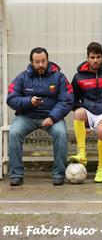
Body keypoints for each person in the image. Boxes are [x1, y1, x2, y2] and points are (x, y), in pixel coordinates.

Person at [7, 47, 74, 186]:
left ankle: (58, 174)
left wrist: (52, 117)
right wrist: (28, 101)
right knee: (14, 133)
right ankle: (16, 174)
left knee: (61, 133)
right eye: (37, 62)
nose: (41, 65)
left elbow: (67, 100)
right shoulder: (22, 77)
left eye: (43, 61)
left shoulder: (59, 77)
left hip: (51, 117)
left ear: (47, 59)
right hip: (27, 116)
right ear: (31, 62)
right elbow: (11, 98)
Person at [69, 42, 102, 183]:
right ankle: (82, 153)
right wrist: (85, 123)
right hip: (88, 112)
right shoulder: (78, 77)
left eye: (98, 57)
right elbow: (72, 100)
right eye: (92, 57)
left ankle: (100, 169)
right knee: (78, 113)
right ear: (87, 57)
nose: (95, 60)